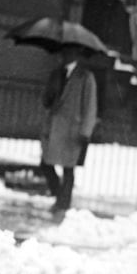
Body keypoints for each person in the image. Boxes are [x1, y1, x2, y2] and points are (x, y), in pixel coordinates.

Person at [39, 43, 98, 212]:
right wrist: (51, 91)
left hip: (72, 130)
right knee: (45, 164)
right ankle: (59, 196)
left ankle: (63, 204)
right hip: (55, 128)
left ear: (75, 55)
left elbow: (90, 106)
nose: (63, 56)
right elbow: (46, 101)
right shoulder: (56, 74)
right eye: (63, 53)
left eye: (68, 53)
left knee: (68, 169)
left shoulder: (85, 77)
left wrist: (85, 131)